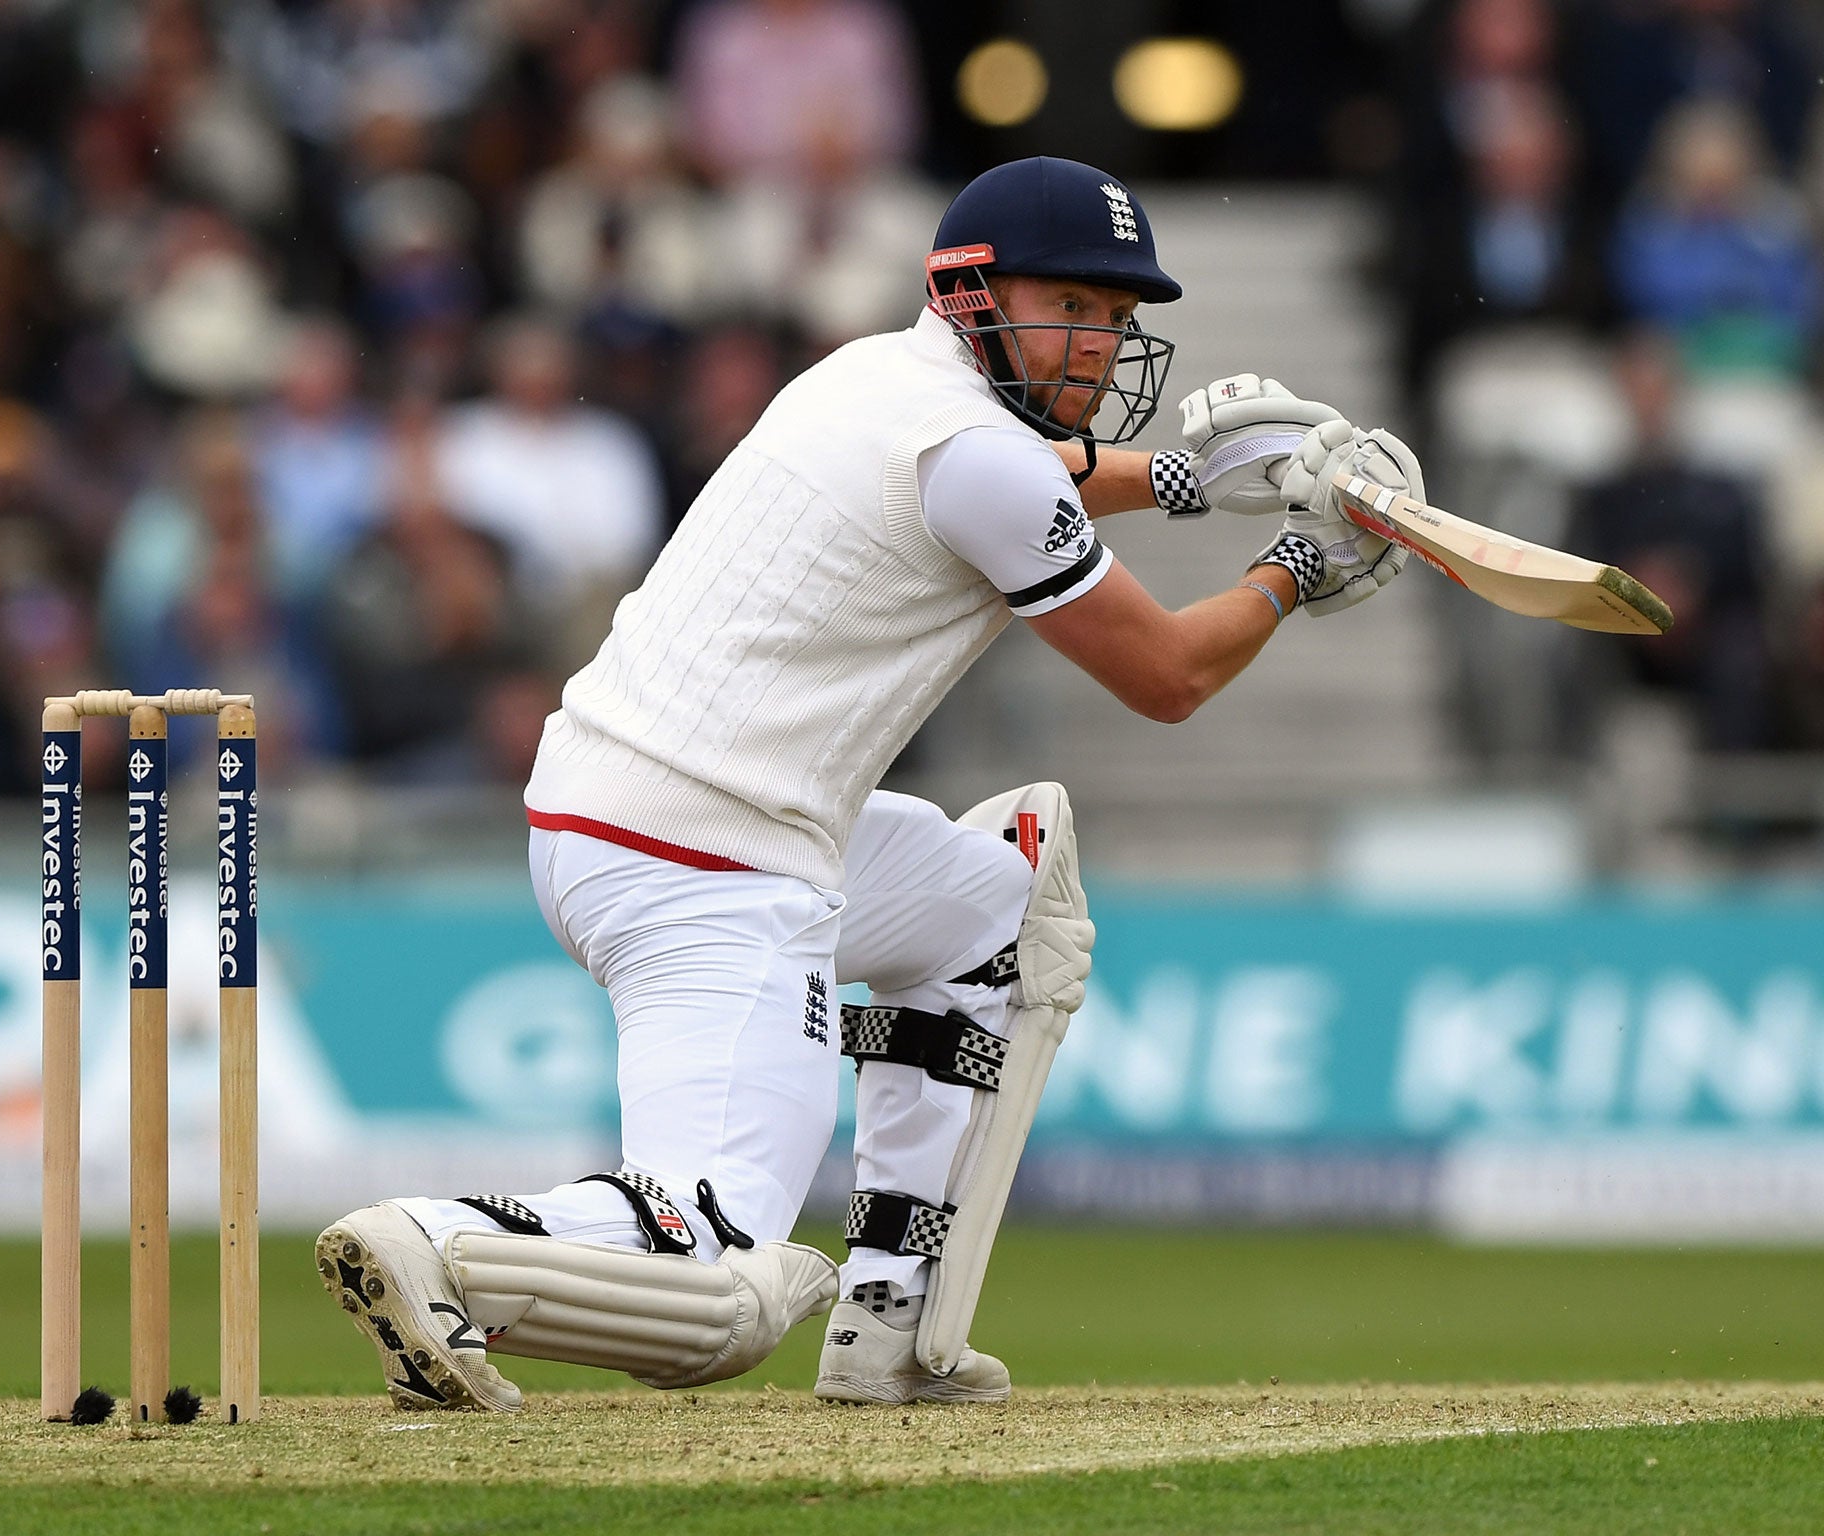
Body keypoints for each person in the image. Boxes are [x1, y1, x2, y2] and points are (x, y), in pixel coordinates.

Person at [315, 157, 1423, 1410]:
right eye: (1076, 304)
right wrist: (1292, 561)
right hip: (703, 864)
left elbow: (1033, 476)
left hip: (659, 815)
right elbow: (1165, 676)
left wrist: (1181, 480)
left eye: (1118, 318)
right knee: (720, 1278)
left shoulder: (872, 376)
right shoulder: (973, 453)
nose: (1103, 342)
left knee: (1000, 910)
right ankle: (436, 1244)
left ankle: (888, 1318)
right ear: (972, 293)